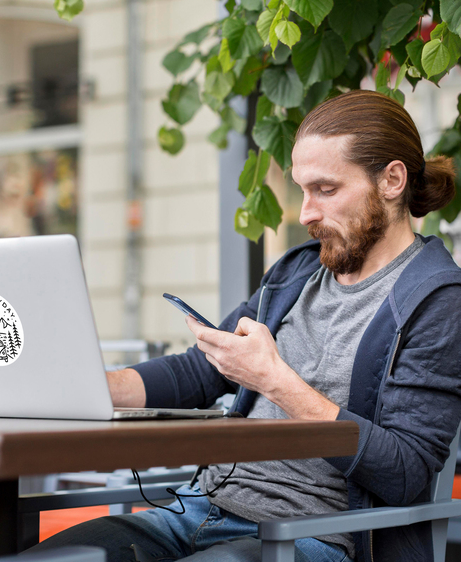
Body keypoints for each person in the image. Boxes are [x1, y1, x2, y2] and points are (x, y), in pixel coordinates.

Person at [30, 90, 461, 562]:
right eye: (302, 189)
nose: (305, 214)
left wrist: (275, 381)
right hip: (197, 510)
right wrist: (82, 387)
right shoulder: (296, 273)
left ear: (391, 180)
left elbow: (405, 471)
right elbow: (199, 373)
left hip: (315, 535)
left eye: (326, 189)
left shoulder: (438, 299)